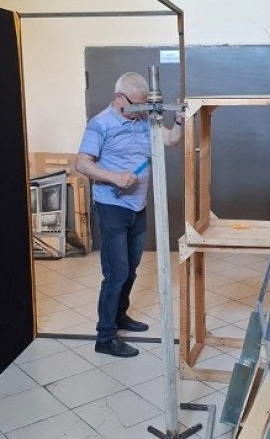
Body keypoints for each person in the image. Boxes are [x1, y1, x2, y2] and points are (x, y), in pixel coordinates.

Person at [75, 72, 184, 358]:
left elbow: (172, 140)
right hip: (112, 207)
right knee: (116, 272)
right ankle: (105, 336)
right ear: (119, 98)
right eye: (136, 104)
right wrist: (113, 177)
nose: (141, 109)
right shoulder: (101, 124)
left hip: (137, 206)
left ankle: (120, 316)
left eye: (144, 104)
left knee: (131, 267)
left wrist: (179, 121)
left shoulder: (144, 120)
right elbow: (82, 164)